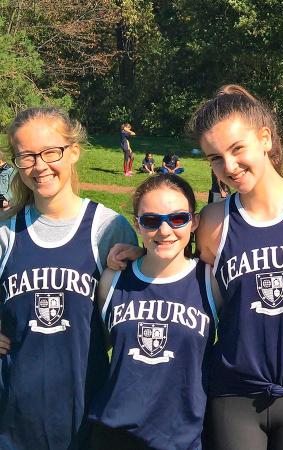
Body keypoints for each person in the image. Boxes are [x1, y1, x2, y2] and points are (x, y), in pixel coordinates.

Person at [108, 84, 283, 449]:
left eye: (237, 149)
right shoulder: (214, 221)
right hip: (233, 393)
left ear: (264, 138)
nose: (228, 166)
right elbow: (186, 276)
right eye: (214, 157)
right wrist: (137, 255)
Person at [0, 107, 137, 449]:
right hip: (15, 417)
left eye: (50, 152)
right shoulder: (6, 232)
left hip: (87, 410)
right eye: (26, 156)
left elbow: (137, 317)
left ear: (73, 151)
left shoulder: (109, 228)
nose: (40, 165)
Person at [87, 174, 218, 449]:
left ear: (193, 222)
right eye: (151, 220)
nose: (165, 230)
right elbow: (92, 342)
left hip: (182, 437)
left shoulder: (210, 282)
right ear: (137, 224)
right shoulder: (113, 279)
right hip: (113, 433)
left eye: (178, 218)